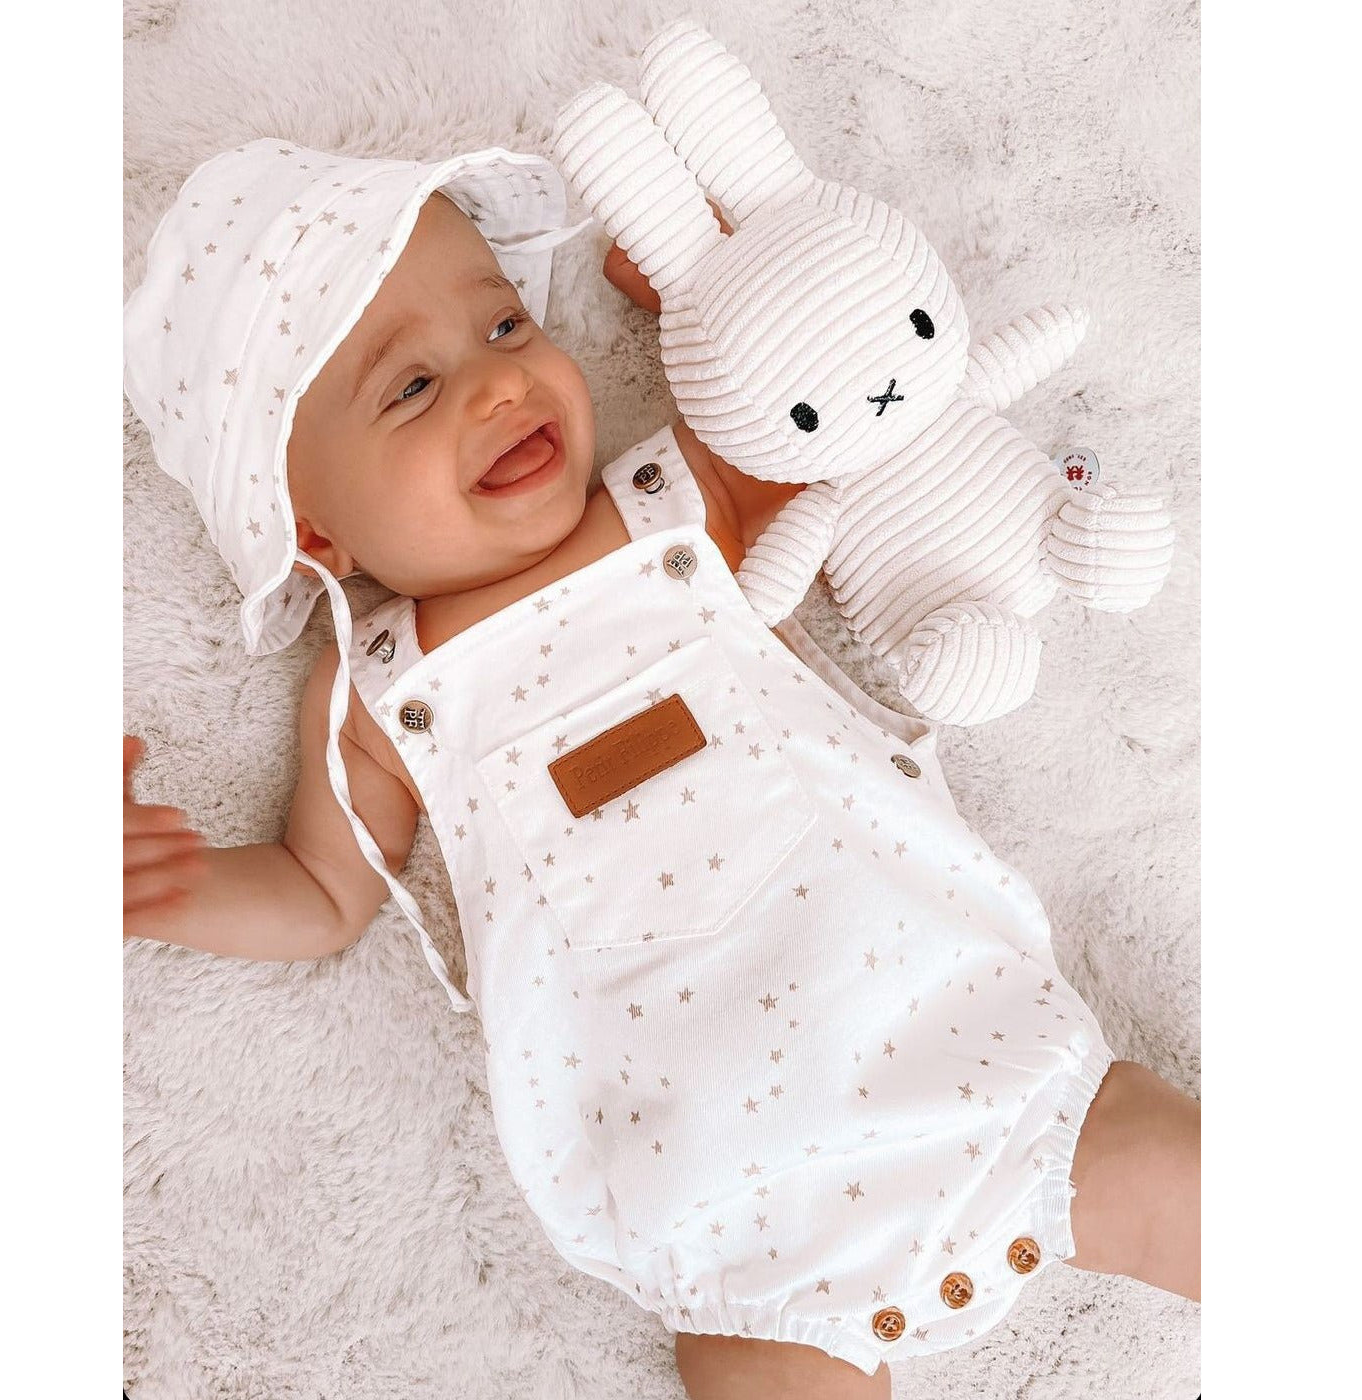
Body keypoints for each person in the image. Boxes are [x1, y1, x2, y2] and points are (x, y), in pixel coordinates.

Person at [123, 139, 1199, 1399]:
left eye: (505, 324)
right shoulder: (378, 690)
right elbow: (321, 891)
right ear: (312, 527)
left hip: (954, 1038)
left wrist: (702, 304)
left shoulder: (669, 502)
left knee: (1180, 1180)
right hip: (728, 1199)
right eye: (411, 387)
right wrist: (168, 885)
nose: (497, 382)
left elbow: (807, 406)